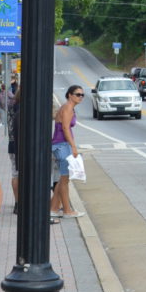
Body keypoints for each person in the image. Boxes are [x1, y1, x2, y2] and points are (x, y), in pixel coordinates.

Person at [50, 85, 84, 219]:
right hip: (62, 145)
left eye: (82, 95)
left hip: (61, 145)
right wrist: (73, 147)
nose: (80, 97)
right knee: (65, 179)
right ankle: (67, 211)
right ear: (70, 95)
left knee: (63, 179)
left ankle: (53, 208)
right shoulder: (68, 107)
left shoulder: (67, 107)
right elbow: (65, 128)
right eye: (77, 94)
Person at [5, 84, 20, 214]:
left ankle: (17, 203)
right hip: (22, 145)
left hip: (12, 144)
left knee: (15, 174)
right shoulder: (25, 109)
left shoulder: (12, 106)